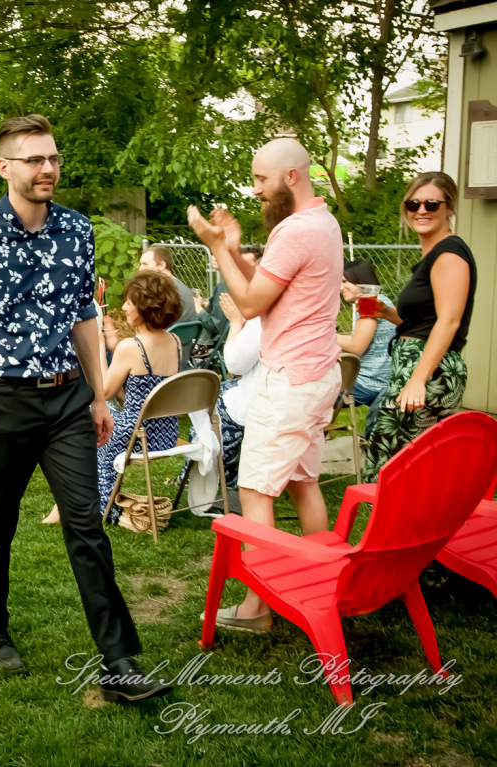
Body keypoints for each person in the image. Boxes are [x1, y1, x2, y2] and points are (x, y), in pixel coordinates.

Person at [0, 114, 170, 703]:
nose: (48, 168)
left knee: (86, 523)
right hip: (3, 401)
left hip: (67, 399)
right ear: (5, 167)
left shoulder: (76, 230)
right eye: (35, 159)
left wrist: (98, 394)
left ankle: (119, 663)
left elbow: (85, 317)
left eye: (54, 158)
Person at [188, 137, 342, 633]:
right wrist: (234, 251)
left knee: (255, 490)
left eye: (261, 179)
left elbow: (251, 304)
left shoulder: (294, 231)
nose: (255, 189)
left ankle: (259, 607)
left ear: (291, 177)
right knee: (302, 482)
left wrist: (217, 248)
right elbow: (269, 289)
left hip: (291, 381)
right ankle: (324, 586)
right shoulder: (323, 222)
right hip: (317, 375)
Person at [362, 171, 476, 483]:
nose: (421, 210)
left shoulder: (449, 254)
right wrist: (387, 313)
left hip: (428, 370)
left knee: (389, 466)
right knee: (408, 466)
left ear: (450, 208)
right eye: (413, 204)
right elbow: (424, 324)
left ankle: (387, 516)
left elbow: (449, 321)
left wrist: (417, 379)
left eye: (431, 204)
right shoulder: (434, 256)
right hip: (419, 364)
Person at [97, 271, 184, 531]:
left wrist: (99, 349)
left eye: (129, 302)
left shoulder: (132, 347)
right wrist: (114, 347)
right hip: (164, 434)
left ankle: (98, 504)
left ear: (145, 307)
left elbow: (104, 392)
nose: (124, 307)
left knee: (88, 412)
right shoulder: (175, 341)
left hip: (135, 435)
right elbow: (141, 396)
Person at [181, 293, 263, 492]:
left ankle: (207, 472)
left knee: (207, 401)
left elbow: (234, 364)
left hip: (260, 403)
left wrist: (235, 323)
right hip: (301, 399)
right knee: (221, 388)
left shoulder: (263, 320)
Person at [336, 259, 395, 435]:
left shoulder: (369, 303)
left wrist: (324, 337)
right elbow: (360, 338)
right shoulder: (381, 301)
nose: (340, 287)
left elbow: (357, 346)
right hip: (382, 379)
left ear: (361, 281)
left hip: (369, 383)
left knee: (308, 393)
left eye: (345, 281)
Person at [139, 246, 198, 324]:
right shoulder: (179, 285)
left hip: (169, 331)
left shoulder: (164, 290)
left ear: (161, 265)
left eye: (145, 264)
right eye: (141, 264)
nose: (140, 269)